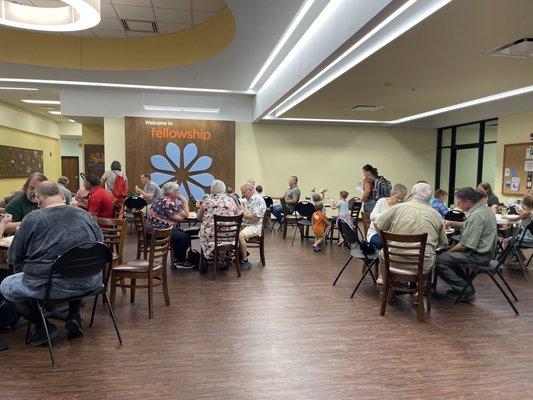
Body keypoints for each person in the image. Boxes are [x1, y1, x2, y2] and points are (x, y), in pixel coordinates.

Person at [0, 181, 104, 346]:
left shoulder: (32, 219)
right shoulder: (84, 215)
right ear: (62, 196)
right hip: (90, 282)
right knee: (73, 267)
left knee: (6, 286)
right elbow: (100, 244)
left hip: (50, 286)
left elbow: (13, 257)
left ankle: (43, 327)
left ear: (39, 200)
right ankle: (74, 315)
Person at [436, 187, 498, 303]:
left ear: (468, 202)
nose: (458, 206)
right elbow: (471, 225)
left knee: (439, 259)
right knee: (444, 254)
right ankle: (464, 287)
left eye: (459, 203)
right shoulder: (483, 210)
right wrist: (452, 223)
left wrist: (448, 252)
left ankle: (465, 291)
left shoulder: (476, 216)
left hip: (479, 255)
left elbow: (465, 245)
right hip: (483, 252)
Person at [375, 183, 448, 276]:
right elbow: (442, 242)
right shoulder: (437, 215)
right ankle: (421, 288)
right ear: (430, 198)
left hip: (393, 259)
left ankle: (388, 283)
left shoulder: (397, 208)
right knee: (431, 256)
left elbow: (377, 225)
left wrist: (386, 239)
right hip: (422, 265)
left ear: (412, 194)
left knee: (382, 253)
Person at [146, 182, 191, 267]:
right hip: (158, 232)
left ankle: (176, 259)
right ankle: (180, 262)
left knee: (180, 232)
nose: (178, 192)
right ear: (172, 192)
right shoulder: (168, 202)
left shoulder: (161, 198)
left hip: (152, 229)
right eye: (177, 190)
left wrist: (180, 208)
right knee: (184, 237)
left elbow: (175, 212)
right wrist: (184, 201)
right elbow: (184, 216)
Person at [198, 180, 238, 260]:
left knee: (203, 232)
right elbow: (236, 214)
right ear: (224, 189)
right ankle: (225, 257)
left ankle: (211, 256)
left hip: (211, 238)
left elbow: (199, 218)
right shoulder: (231, 200)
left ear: (211, 189)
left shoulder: (206, 201)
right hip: (230, 236)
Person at [367, 183, 408, 250]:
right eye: (397, 197)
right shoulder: (382, 201)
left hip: (393, 234)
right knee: (385, 245)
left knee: (403, 245)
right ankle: (383, 259)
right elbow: (372, 216)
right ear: (392, 194)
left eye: (402, 198)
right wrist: (388, 216)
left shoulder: (402, 205)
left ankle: (393, 259)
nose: (400, 200)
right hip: (376, 233)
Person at [238, 182, 267, 270]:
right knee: (232, 231)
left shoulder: (257, 199)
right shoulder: (251, 200)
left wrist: (243, 213)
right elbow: (249, 214)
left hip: (256, 226)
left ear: (250, 190)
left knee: (240, 236)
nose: (242, 195)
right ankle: (243, 252)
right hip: (250, 224)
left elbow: (255, 218)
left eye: (243, 192)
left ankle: (245, 260)